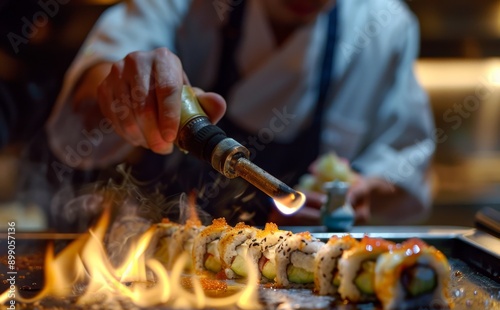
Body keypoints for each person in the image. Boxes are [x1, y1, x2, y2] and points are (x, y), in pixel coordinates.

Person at [46, 0, 436, 226]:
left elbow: (408, 161)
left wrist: (363, 187)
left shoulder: (384, 26)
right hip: (158, 267)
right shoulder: (184, 7)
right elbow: (91, 89)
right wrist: (123, 90)